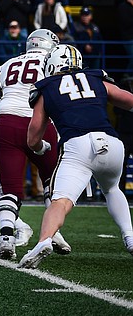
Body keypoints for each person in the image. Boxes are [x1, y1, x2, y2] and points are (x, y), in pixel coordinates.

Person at [19, 46, 133, 268]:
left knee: (60, 201)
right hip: (112, 143)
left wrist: (41, 147)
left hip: (78, 145)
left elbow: (33, 137)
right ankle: (129, 237)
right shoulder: (96, 77)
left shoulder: (46, 87)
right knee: (112, 189)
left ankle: (44, 241)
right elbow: (128, 100)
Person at [0, 29, 70, 259]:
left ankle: (6, 237)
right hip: (39, 120)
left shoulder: (8, 64)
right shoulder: (52, 61)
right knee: (53, 181)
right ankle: (53, 232)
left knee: (10, 188)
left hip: (6, 121)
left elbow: (0, 98)